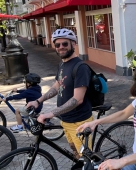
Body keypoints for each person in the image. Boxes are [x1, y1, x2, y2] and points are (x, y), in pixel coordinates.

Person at [77, 50, 136, 170]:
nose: (133, 74)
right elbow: (124, 113)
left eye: (135, 70)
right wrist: (95, 122)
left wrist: (122, 161)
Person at [26, 28, 93, 162]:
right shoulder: (62, 64)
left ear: (73, 44)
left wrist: (50, 114)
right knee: (75, 154)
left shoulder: (81, 67)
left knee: (86, 160)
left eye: (65, 44)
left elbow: (77, 100)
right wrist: (38, 101)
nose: (61, 47)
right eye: (57, 45)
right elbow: (57, 86)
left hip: (78, 122)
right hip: (65, 120)